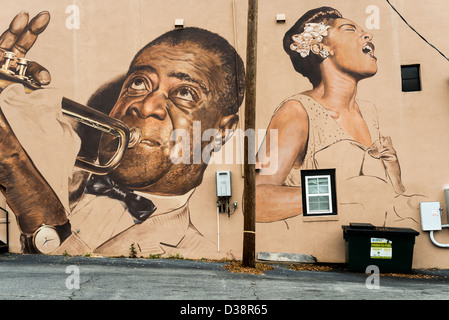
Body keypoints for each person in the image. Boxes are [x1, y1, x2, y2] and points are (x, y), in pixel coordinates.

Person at [0, 11, 245, 258]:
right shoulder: (54, 169)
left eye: (185, 93)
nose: (146, 106)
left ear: (221, 132)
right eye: (139, 83)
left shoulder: (201, 257)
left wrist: (41, 213)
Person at [256, 7, 417, 224]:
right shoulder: (297, 111)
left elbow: (387, 199)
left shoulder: (369, 112)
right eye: (350, 29)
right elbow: (257, 201)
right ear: (323, 47)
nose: (368, 34)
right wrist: (341, 194)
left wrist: (394, 180)